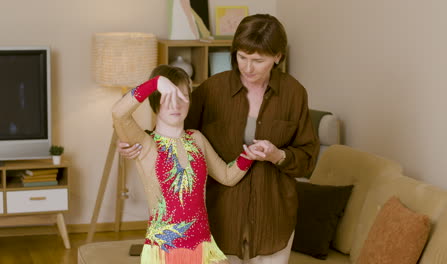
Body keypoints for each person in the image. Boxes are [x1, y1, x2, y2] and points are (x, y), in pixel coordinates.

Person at [118, 14, 319, 264]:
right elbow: (175, 132)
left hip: (273, 220)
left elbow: (308, 158)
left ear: (277, 56)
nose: (247, 67)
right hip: (220, 223)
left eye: (258, 60)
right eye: (242, 57)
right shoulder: (211, 90)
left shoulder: (294, 94)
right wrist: (137, 143)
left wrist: (277, 155)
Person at [112, 65, 260, 264]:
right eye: (169, 96)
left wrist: (249, 155)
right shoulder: (147, 143)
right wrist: (155, 83)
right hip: (163, 252)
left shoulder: (197, 139)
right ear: (156, 100)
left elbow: (227, 176)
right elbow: (119, 114)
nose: (176, 104)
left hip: (204, 248)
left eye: (182, 96)